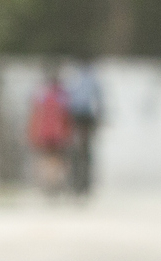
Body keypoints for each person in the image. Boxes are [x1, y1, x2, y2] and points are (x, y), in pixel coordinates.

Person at [27, 69, 74, 194]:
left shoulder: (41, 94)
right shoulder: (63, 95)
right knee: (57, 158)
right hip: (58, 132)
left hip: (44, 132)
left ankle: (47, 182)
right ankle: (55, 182)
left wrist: (33, 131)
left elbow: (36, 114)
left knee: (46, 158)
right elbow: (66, 116)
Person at [65, 63, 104, 196]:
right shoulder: (93, 79)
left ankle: (77, 182)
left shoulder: (73, 78)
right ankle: (84, 183)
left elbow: (67, 99)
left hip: (75, 117)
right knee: (85, 150)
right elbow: (98, 100)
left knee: (75, 148)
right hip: (85, 117)